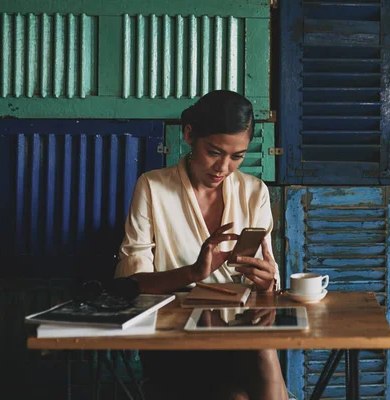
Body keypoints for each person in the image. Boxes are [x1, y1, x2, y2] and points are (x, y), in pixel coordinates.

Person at [115, 90, 287, 400]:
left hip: (239, 333)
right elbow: (131, 284)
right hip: (173, 338)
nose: (223, 167)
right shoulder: (153, 187)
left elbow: (268, 279)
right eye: (214, 151)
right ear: (190, 135)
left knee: (262, 345)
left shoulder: (254, 191)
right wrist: (193, 272)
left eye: (237, 156)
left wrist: (267, 283)